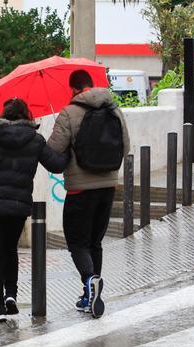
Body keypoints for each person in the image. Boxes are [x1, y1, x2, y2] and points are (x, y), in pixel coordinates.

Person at [0, 98, 67, 321]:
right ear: (26, 116)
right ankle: (11, 295)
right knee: (10, 250)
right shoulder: (35, 140)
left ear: (4, 115)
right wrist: (68, 147)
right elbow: (56, 165)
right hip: (17, 207)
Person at [47, 69, 130, 319]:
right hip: (108, 187)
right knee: (95, 242)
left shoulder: (69, 113)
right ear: (91, 85)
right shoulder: (113, 109)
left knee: (77, 243)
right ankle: (92, 295)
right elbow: (126, 146)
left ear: (73, 89)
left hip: (79, 189)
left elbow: (53, 151)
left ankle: (90, 280)